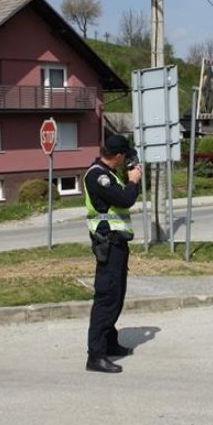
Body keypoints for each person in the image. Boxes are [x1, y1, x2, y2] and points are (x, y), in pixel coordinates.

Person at [83, 134, 142, 373]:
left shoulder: (109, 174)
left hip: (117, 243)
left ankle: (109, 343)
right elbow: (125, 199)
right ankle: (95, 355)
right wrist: (133, 180)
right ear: (117, 156)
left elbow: (123, 199)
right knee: (106, 297)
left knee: (116, 295)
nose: (125, 159)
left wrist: (131, 180)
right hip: (108, 242)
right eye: (124, 156)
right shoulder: (98, 176)